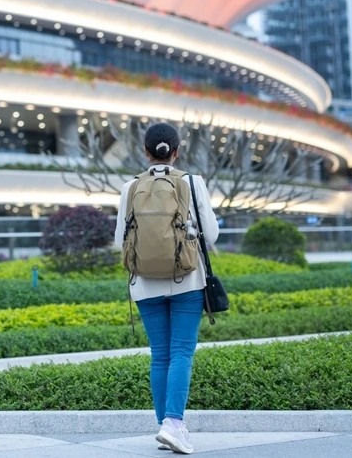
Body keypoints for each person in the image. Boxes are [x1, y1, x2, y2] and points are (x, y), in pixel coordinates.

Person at [114, 122, 219, 455]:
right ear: (177, 151)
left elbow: (119, 240)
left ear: (146, 152)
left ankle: (166, 425)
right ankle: (173, 424)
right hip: (186, 279)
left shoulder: (130, 187)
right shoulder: (192, 182)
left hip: (144, 283)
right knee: (181, 353)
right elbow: (211, 234)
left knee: (160, 355)